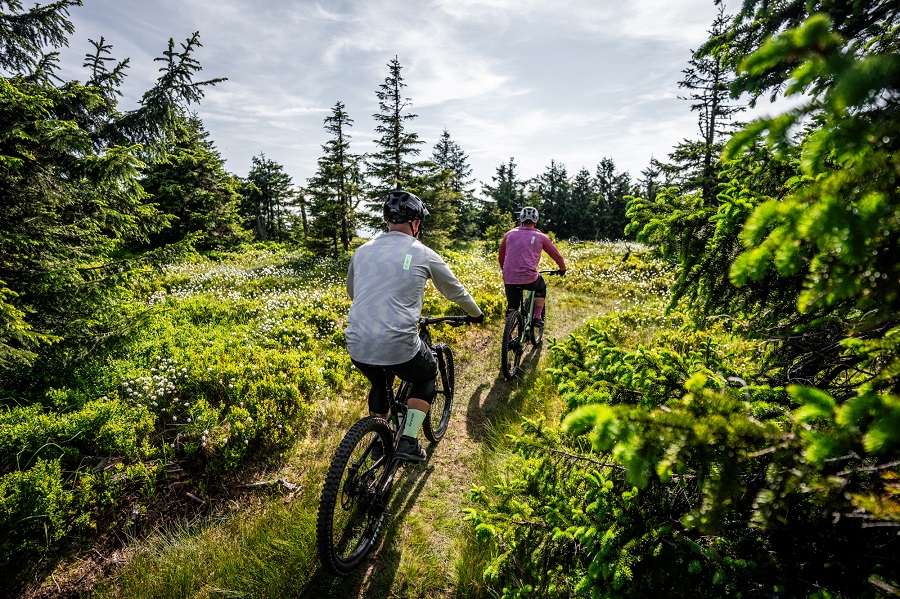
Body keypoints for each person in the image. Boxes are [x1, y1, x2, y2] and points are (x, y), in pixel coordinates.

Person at [344, 190, 485, 462]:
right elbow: (454, 290)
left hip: (357, 341)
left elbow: (353, 292)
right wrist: (476, 315)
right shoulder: (421, 252)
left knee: (379, 381)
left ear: (387, 220)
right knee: (426, 374)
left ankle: (379, 438)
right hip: (397, 342)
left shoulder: (362, 251)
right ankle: (408, 439)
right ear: (416, 223)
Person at [497, 206, 566, 327]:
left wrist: (505, 270)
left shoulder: (509, 234)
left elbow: (501, 257)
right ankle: (537, 317)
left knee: (513, 307)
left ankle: (510, 332)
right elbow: (557, 256)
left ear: (521, 219)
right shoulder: (541, 237)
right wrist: (562, 269)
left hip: (509, 277)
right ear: (536, 221)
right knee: (541, 287)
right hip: (529, 278)